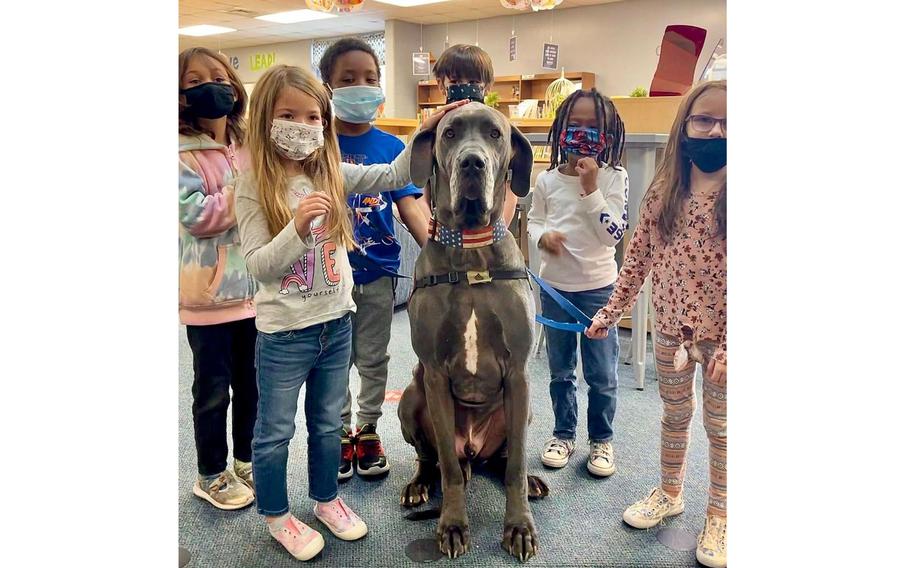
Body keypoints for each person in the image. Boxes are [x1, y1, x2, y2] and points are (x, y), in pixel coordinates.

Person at [235, 64, 466, 561]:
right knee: (275, 431)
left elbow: (393, 175)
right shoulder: (253, 184)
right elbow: (261, 267)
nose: (302, 125)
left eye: (313, 115)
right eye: (288, 115)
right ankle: (277, 515)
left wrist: (426, 131)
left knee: (325, 425)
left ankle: (327, 500)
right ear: (264, 120)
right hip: (284, 334)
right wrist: (297, 227)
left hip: (335, 324)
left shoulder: (330, 172)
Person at [585, 80, 727, 568]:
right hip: (669, 331)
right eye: (704, 119)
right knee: (674, 415)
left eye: (729, 122)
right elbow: (638, 259)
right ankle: (670, 492)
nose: (714, 131)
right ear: (685, 124)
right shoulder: (664, 191)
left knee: (721, 427)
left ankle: (721, 515)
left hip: (723, 341)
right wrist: (609, 311)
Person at [318, 38, 428, 480]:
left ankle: (367, 429)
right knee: (334, 360)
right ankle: (340, 432)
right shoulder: (318, 143)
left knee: (373, 357)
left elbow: (411, 206)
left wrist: (436, 246)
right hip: (327, 279)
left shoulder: (391, 147)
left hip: (379, 274)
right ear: (327, 86)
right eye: (348, 80)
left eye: (370, 78)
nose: (361, 86)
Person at [527, 88, 628, 478]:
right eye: (575, 125)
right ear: (560, 129)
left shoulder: (614, 177)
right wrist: (541, 238)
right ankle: (563, 434)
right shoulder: (547, 180)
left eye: (593, 126)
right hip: (555, 289)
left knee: (602, 373)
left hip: (600, 289)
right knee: (560, 370)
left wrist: (591, 189)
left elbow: (613, 234)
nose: (583, 133)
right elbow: (535, 220)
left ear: (608, 134)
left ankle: (601, 439)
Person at [178, 46, 257, 511]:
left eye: (222, 74)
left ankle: (246, 460)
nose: (215, 83)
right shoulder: (178, 152)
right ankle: (210, 473)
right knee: (212, 390)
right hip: (207, 296)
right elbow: (196, 215)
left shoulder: (247, 144)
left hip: (254, 292)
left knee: (252, 383)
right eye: (197, 79)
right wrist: (245, 193)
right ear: (180, 95)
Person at [430, 43, 518, 226]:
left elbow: (511, 193)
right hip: (444, 234)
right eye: (455, 82)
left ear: (487, 87)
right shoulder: (432, 131)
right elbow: (418, 195)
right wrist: (434, 237)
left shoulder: (501, 128)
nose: (464, 88)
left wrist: (496, 234)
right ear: (440, 84)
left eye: (473, 83)